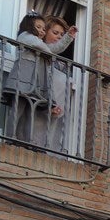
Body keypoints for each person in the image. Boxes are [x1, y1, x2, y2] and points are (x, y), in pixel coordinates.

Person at [2, 11, 76, 146]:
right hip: (22, 80)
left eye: (61, 34)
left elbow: (53, 48)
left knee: (29, 111)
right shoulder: (27, 37)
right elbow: (44, 48)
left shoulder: (44, 50)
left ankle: (27, 142)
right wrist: (50, 54)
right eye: (55, 32)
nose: (41, 30)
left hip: (34, 87)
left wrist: (68, 37)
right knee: (18, 110)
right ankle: (10, 138)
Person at [39, 16, 73, 155]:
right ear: (44, 32)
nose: (59, 37)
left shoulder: (63, 64)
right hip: (40, 109)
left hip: (56, 113)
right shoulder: (39, 53)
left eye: (61, 35)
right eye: (55, 32)